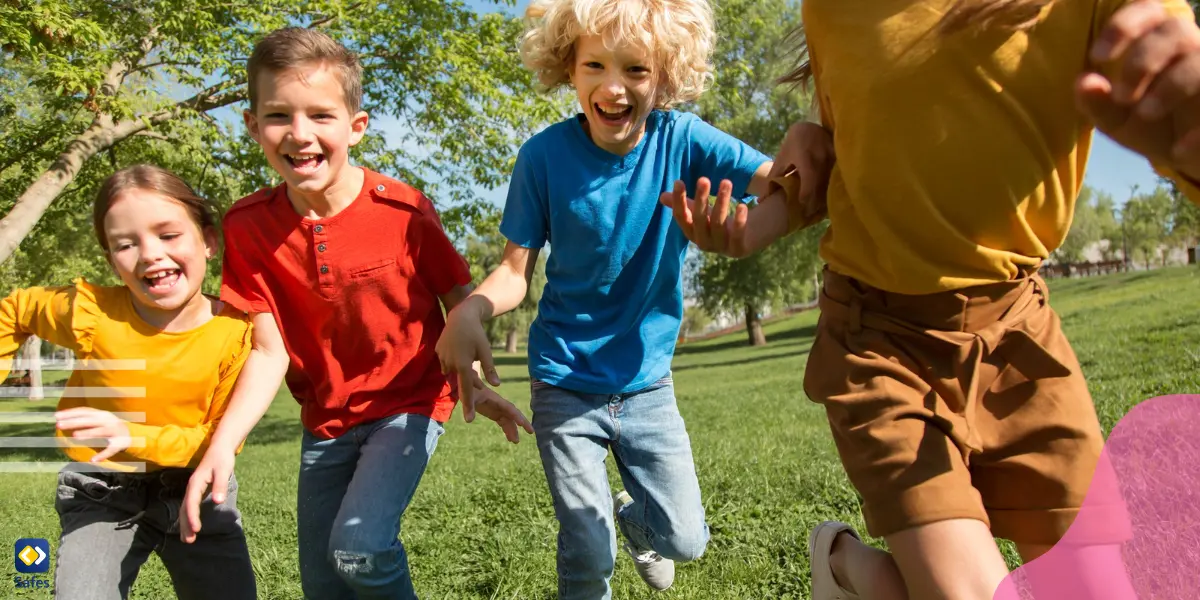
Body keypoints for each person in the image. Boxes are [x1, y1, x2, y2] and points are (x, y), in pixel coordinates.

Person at [661, 0, 1200, 598]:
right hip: (880, 343)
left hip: (1020, 339)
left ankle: (849, 572)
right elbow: (849, 155)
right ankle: (841, 559)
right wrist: (766, 211)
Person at [177, 27, 532, 600]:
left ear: (355, 127)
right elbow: (268, 353)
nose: (299, 134)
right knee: (325, 585)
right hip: (325, 423)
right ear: (251, 126)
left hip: (408, 405)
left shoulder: (404, 210)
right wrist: (222, 444)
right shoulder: (247, 227)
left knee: (359, 550)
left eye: (321, 115)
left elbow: (458, 300)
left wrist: (470, 382)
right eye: (277, 116)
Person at [434, 0, 775, 596]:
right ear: (568, 68)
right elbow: (516, 271)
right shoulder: (542, 157)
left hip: (647, 383)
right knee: (588, 553)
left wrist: (782, 202)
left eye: (636, 71)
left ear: (665, 76)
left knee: (686, 539)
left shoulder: (683, 139)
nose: (613, 88)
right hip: (563, 379)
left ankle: (635, 523)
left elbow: (779, 179)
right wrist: (473, 308)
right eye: (595, 66)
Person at [0, 165, 257, 600]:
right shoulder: (90, 313)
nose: (150, 254)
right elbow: (16, 311)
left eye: (168, 235)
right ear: (111, 260)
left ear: (209, 241)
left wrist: (134, 436)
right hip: (102, 490)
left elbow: (218, 439)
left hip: (195, 489)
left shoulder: (237, 333)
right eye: (126, 244)